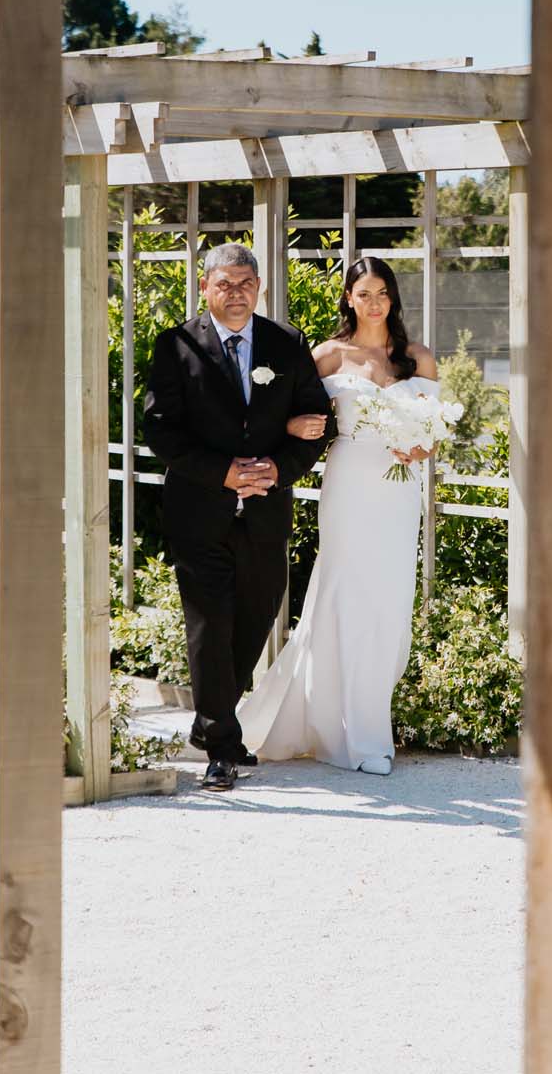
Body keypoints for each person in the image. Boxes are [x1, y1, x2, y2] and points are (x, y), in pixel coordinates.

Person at [143, 243, 334, 791]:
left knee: (256, 616)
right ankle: (223, 747)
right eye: (225, 284)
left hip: (266, 512)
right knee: (210, 625)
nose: (236, 294)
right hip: (200, 509)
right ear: (205, 287)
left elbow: (318, 418)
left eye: (246, 284)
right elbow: (161, 429)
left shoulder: (286, 343)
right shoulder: (176, 346)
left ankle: (211, 721)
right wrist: (222, 472)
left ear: (259, 289)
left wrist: (278, 467)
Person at [238, 256, 438, 776]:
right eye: (363, 293)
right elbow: (282, 409)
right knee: (343, 595)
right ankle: (354, 735)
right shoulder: (327, 355)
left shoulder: (418, 357)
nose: (374, 303)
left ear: (393, 298)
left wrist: (420, 447)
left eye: (383, 293)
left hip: (399, 493)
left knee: (390, 604)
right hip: (349, 484)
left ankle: (369, 720)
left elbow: (433, 432)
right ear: (348, 298)